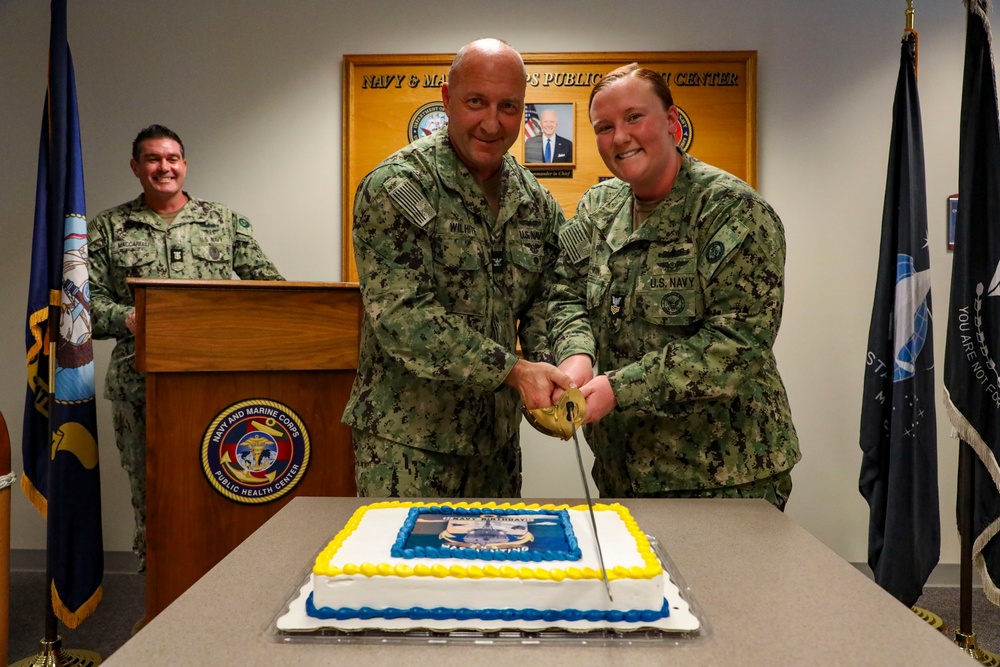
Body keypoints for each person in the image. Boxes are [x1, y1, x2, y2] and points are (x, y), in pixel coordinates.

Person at [548, 64, 800, 510]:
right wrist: (577, 356)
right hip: (622, 469)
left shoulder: (732, 211)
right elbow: (566, 294)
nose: (619, 137)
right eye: (604, 127)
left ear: (671, 122)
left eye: (633, 118)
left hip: (722, 474)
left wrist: (619, 388)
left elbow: (736, 343)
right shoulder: (597, 207)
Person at [343, 38, 572, 498]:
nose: (492, 122)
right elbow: (403, 317)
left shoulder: (534, 200)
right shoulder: (396, 186)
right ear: (447, 101)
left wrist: (554, 374)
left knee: (496, 567)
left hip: (496, 446)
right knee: (405, 570)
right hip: (408, 445)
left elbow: (547, 299)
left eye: (508, 106)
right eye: (476, 102)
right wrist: (514, 372)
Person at [88, 125, 283, 570]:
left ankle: (218, 584)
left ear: (185, 164)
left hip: (216, 382)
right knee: (153, 492)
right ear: (136, 168)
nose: (164, 167)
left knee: (220, 485)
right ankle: (155, 594)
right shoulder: (109, 228)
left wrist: (230, 323)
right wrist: (130, 319)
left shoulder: (224, 222)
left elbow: (272, 291)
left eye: (172, 158)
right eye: (153, 159)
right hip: (142, 387)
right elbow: (84, 309)